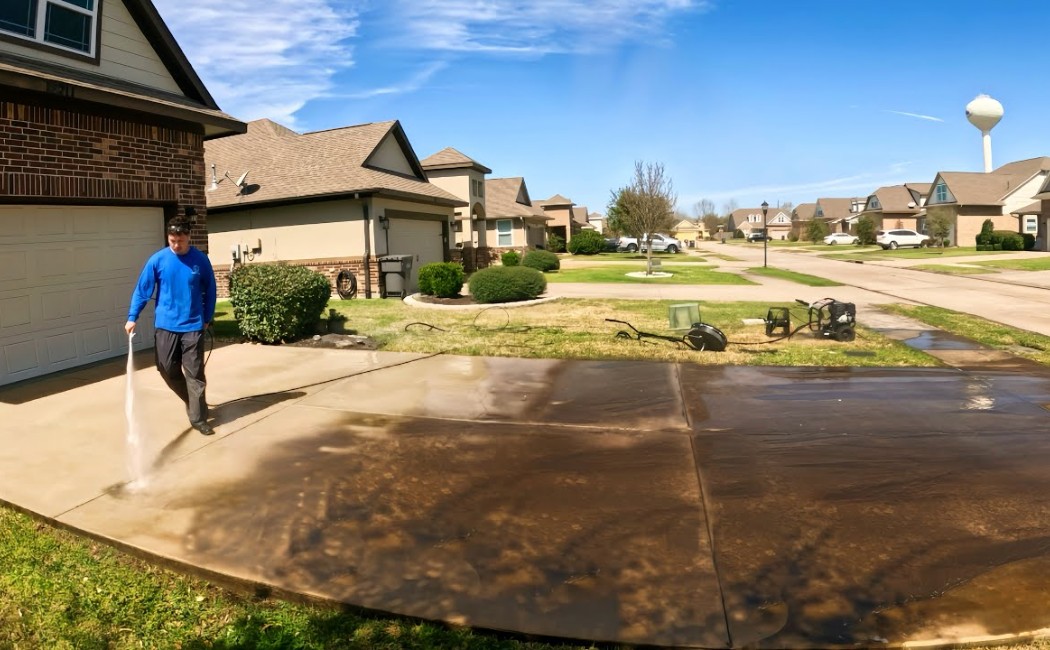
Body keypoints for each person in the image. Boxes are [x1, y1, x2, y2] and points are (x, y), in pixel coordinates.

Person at [125, 215, 217, 435]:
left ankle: (198, 418)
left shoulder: (200, 260)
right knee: (165, 368)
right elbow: (143, 290)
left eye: (180, 241)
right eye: (172, 241)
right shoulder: (158, 260)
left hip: (193, 325)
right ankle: (193, 401)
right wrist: (132, 316)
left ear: (188, 237)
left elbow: (211, 289)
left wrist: (207, 317)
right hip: (166, 324)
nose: (176, 245)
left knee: (194, 373)